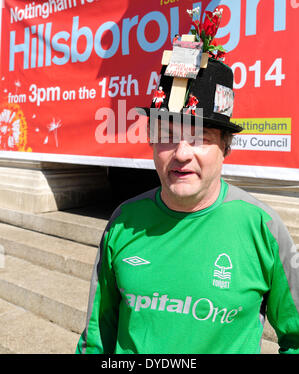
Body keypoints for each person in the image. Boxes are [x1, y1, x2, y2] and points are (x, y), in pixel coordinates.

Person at [76, 49, 299, 355]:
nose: (181, 153)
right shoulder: (124, 221)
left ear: (225, 148)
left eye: (200, 137)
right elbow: (96, 339)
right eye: (167, 134)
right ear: (152, 143)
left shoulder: (264, 228)